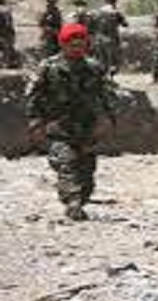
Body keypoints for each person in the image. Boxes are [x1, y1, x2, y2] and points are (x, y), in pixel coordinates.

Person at [26, 23, 116, 221]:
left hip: (87, 126)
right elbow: (34, 95)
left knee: (87, 168)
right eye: (72, 45)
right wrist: (35, 121)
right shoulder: (48, 67)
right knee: (67, 163)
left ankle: (80, 199)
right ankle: (72, 201)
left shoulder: (94, 67)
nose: (77, 48)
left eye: (81, 44)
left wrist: (108, 118)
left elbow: (107, 94)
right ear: (63, 44)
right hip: (59, 125)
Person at [92, 0, 129, 76]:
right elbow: (125, 24)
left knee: (101, 59)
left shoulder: (97, 12)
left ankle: (101, 76)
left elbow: (92, 25)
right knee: (114, 60)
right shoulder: (116, 12)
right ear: (114, 3)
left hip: (99, 39)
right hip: (112, 39)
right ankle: (111, 76)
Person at [0, 0, 20, 68]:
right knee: (7, 47)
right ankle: (6, 63)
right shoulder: (5, 10)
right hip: (5, 32)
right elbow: (8, 23)